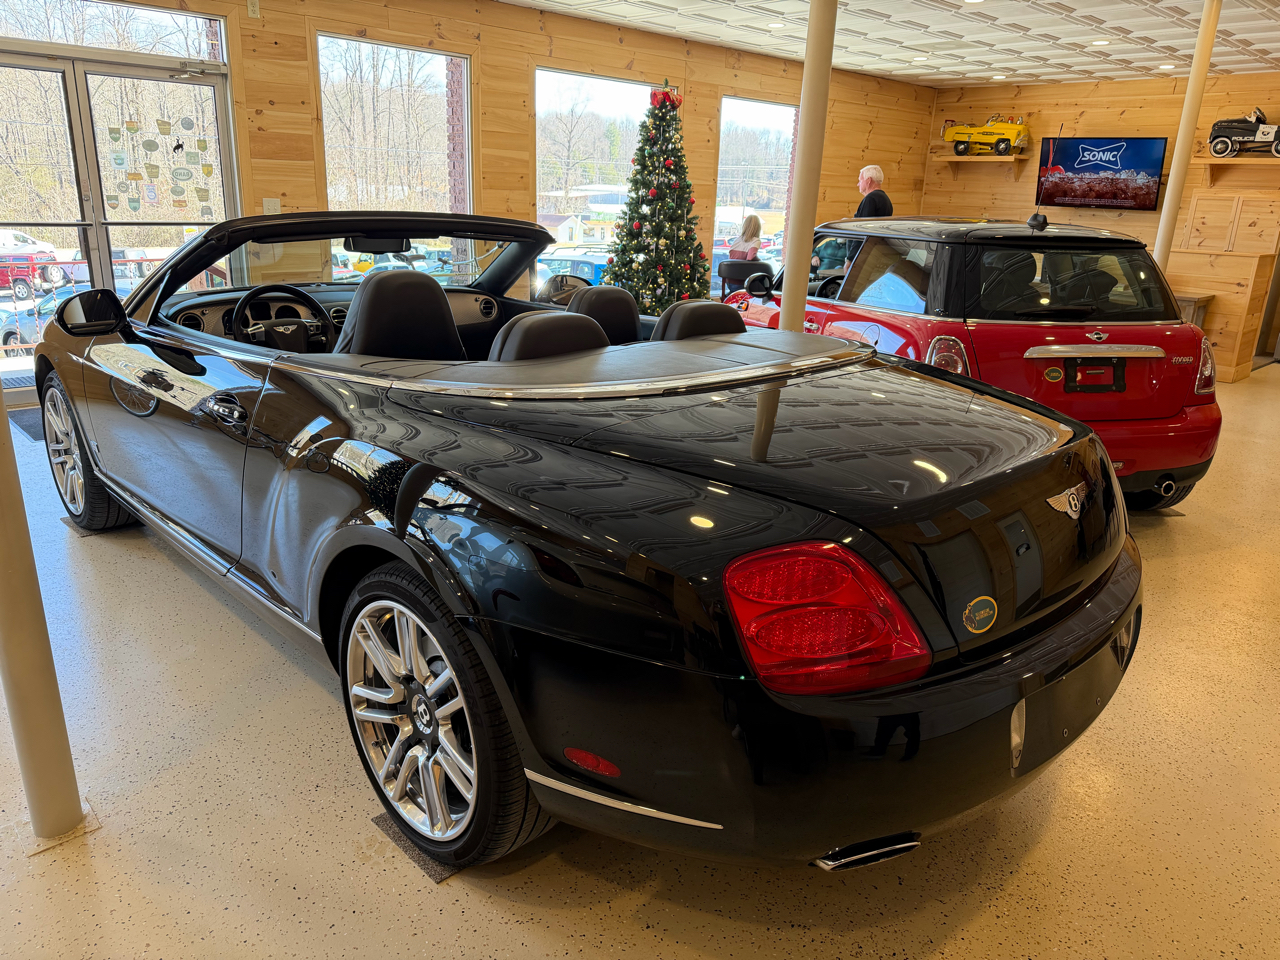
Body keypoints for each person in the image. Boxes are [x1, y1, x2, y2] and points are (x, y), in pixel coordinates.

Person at [724, 214, 762, 294]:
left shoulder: (737, 240)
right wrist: (759, 261)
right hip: (741, 282)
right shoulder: (755, 241)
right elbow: (750, 257)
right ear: (758, 228)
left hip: (730, 280)